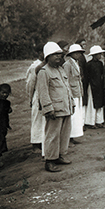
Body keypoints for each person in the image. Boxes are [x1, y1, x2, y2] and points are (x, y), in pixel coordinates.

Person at [37, 42, 74, 172]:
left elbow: (67, 88)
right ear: (48, 57)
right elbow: (43, 92)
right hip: (54, 110)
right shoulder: (44, 72)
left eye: (59, 54)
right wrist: (48, 108)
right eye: (55, 55)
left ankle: (60, 155)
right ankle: (49, 161)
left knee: (64, 134)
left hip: (65, 108)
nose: (58, 57)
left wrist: (72, 103)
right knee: (52, 135)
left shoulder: (61, 69)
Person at [25, 43, 46, 152]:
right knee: (37, 119)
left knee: (44, 120)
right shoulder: (35, 66)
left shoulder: (46, 64)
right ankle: (35, 143)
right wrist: (30, 98)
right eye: (42, 52)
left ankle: (43, 141)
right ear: (38, 53)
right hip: (37, 95)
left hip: (45, 94)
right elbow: (30, 84)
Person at [64, 44, 85, 145]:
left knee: (77, 116)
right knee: (72, 116)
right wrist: (69, 94)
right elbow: (66, 80)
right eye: (76, 53)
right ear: (71, 54)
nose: (78, 55)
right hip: (72, 93)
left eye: (79, 53)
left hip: (78, 91)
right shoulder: (67, 65)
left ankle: (73, 136)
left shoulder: (76, 63)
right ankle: (67, 137)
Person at [85, 45, 105, 128]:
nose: (100, 56)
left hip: (99, 85)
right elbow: (87, 77)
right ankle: (91, 122)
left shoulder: (100, 64)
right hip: (92, 86)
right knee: (92, 103)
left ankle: (99, 121)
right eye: (99, 54)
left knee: (100, 104)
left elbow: (101, 75)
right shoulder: (88, 65)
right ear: (94, 55)